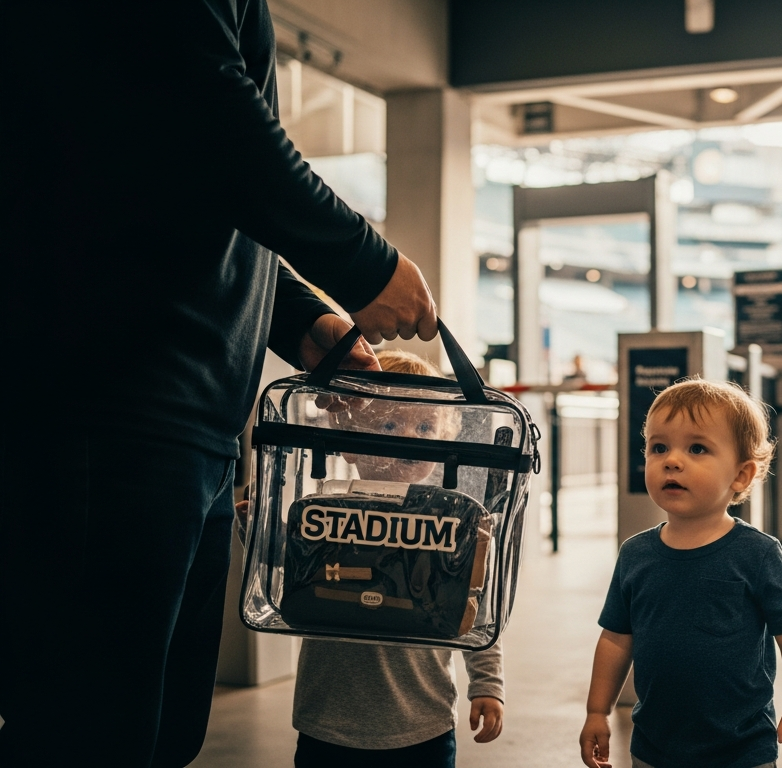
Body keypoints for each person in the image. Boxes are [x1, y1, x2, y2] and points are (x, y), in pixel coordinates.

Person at [2, 2, 436, 766]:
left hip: (187, 416)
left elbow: (178, 175)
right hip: (113, 399)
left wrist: (300, 317)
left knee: (161, 733)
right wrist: (361, 262)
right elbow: (201, 107)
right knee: (90, 733)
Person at [578, 380, 782, 768]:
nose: (672, 460)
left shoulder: (756, 554)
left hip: (741, 750)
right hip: (654, 748)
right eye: (659, 447)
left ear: (741, 475)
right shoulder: (635, 554)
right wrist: (597, 711)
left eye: (697, 448)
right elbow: (615, 639)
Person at [287, 350, 505, 768]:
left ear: (444, 440)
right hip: (328, 719)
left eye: (425, 426)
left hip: (423, 719)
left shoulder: (453, 523)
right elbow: (291, 574)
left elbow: (474, 603)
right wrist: (254, 531)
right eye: (388, 424)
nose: (410, 438)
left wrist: (487, 682)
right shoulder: (326, 513)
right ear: (348, 438)